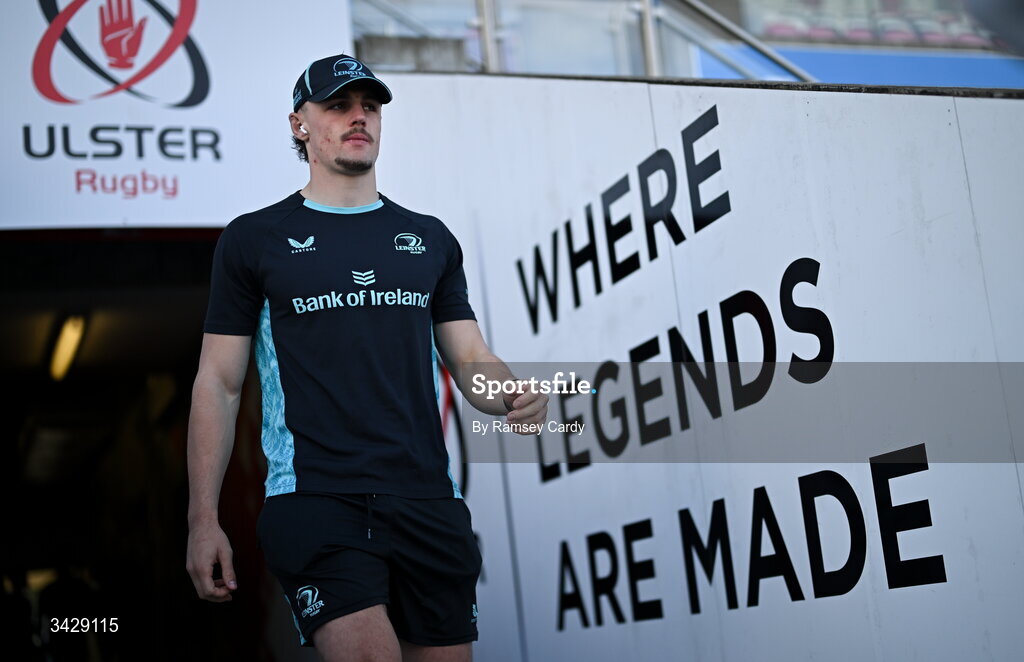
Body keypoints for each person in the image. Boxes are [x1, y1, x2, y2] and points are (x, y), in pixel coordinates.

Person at [185, 53, 547, 662]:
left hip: (429, 502)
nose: (359, 117)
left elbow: (469, 357)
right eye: (338, 105)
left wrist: (510, 392)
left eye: (370, 107)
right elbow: (218, 383)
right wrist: (203, 518)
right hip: (317, 500)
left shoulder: (430, 238)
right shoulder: (254, 239)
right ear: (300, 123)